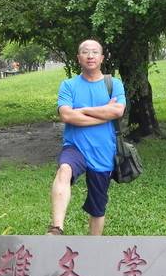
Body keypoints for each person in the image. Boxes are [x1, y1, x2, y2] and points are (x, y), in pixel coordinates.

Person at [48, 39, 126, 235]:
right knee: (64, 170)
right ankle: (56, 228)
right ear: (78, 58)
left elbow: (117, 111)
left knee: (97, 206)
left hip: (103, 151)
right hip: (75, 147)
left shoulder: (114, 84)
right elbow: (67, 116)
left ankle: (94, 245)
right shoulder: (68, 85)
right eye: (85, 52)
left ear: (102, 58)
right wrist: (104, 113)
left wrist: (83, 110)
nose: (90, 56)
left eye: (94, 52)